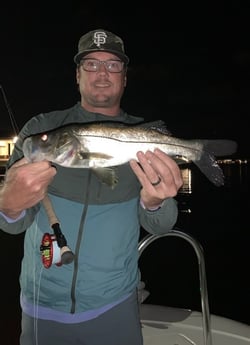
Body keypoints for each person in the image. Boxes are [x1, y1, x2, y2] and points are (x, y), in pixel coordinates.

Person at [0, 29, 183, 345]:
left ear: (124, 78)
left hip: (115, 304)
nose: (102, 74)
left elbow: (162, 225)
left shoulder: (145, 139)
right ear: (77, 75)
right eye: (91, 64)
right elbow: (11, 225)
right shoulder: (40, 131)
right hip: (42, 305)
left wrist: (155, 202)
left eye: (113, 66)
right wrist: (8, 203)